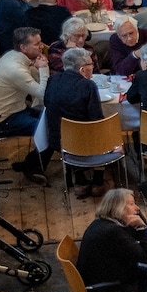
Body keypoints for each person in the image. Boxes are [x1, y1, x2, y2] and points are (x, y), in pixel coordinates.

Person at [38, 48, 103, 196]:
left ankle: (79, 178)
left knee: (74, 129)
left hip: (57, 139)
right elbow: (96, 119)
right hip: (81, 141)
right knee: (104, 133)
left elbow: (47, 104)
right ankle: (98, 180)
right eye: (91, 64)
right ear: (82, 69)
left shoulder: (52, 79)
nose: (93, 66)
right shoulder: (88, 85)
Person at [0, 27, 48, 159]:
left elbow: (37, 83)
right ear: (23, 48)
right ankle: (32, 165)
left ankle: (32, 164)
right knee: (49, 130)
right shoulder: (15, 69)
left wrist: (36, 67)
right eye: (37, 44)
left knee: (51, 119)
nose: (42, 46)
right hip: (4, 121)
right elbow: (43, 94)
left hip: (16, 110)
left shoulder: (12, 55)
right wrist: (43, 68)